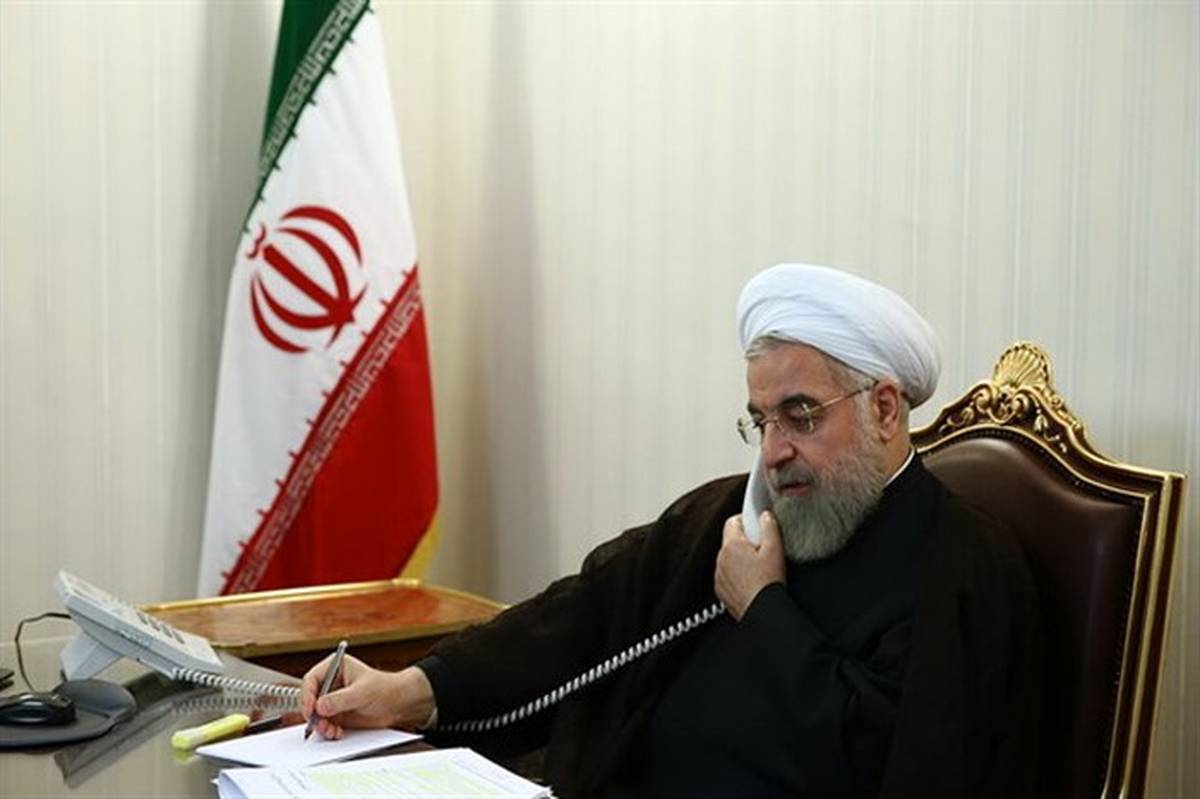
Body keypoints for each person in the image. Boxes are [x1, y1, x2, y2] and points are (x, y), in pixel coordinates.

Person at [301, 264, 1042, 798]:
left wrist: (764, 609)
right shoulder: (735, 518)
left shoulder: (962, 567)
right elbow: (584, 613)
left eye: (800, 415)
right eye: (761, 420)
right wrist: (414, 687)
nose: (773, 451)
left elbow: (887, 761)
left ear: (883, 409)